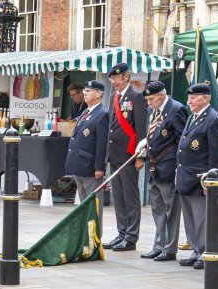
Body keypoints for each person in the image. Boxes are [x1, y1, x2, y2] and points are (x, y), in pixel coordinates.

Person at [136, 81, 188, 261]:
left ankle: (170, 248)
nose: (149, 103)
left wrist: (178, 168)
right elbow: (151, 135)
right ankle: (158, 245)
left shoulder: (176, 109)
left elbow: (182, 141)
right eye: (147, 100)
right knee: (157, 209)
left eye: (151, 99)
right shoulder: (153, 110)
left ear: (161, 95)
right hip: (153, 166)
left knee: (171, 210)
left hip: (168, 166)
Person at [176, 83, 218, 270]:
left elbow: (217, 153)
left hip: (200, 179)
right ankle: (196, 250)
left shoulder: (213, 119)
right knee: (190, 218)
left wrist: (210, 181)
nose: (189, 102)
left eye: (193, 98)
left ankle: (205, 252)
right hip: (186, 177)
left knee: (201, 219)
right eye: (189, 98)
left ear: (205, 98)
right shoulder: (193, 117)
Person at [103, 63, 147, 251]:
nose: (114, 82)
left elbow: (142, 128)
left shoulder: (137, 96)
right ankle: (121, 233)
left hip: (130, 154)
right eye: (112, 79)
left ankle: (131, 236)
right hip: (115, 154)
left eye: (117, 78)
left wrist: (141, 156)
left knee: (130, 197)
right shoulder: (114, 97)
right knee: (118, 196)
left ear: (126, 77)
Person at [65, 80, 108, 232]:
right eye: (85, 90)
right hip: (79, 164)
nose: (85, 93)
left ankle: (95, 236)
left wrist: (99, 166)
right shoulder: (86, 111)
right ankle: (85, 234)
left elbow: (102, 143)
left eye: (88, 91)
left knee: (94, 203)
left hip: (90, 166)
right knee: (84, 203)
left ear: (99, 94)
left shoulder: (102, 114)